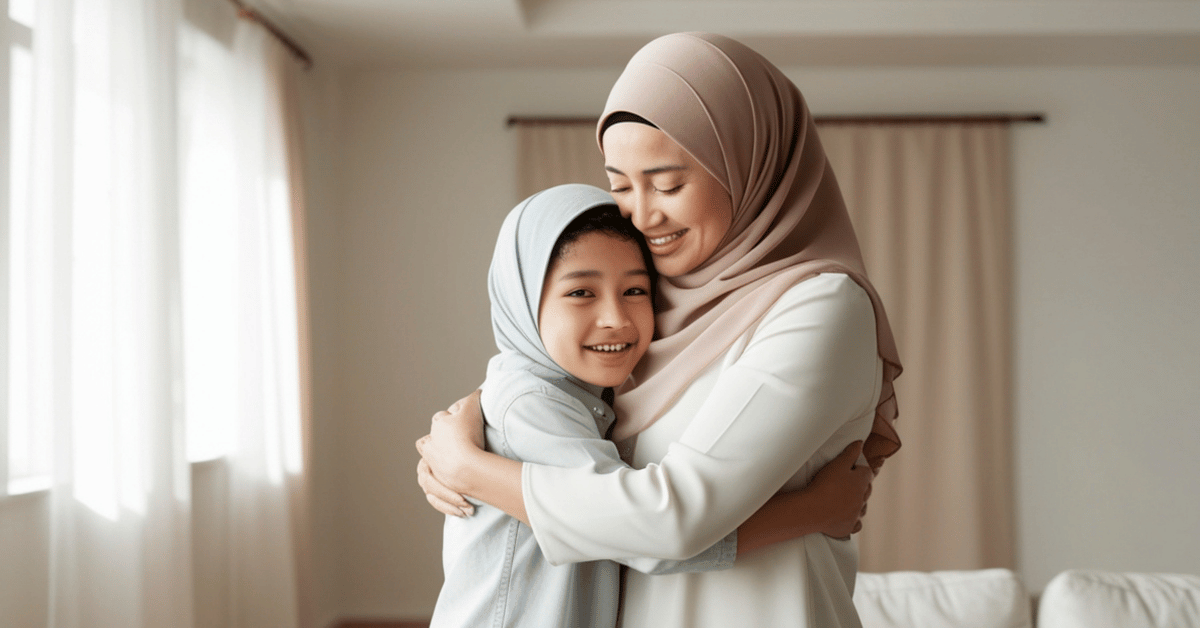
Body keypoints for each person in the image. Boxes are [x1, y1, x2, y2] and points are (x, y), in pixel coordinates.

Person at [418, 32, 902, 628]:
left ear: (747, 163)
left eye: (669, 185)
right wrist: (470, 426)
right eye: (621, 186)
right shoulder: (664, 295)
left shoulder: (821, 307)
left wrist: (472, 469)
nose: (643, 216)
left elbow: (671, 517)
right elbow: (555, 388)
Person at [430, 183, 871, 628]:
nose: (616, 319)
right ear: (520, 300)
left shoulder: (585, 396)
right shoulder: (531, 405)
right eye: (581, 293)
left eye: (636, 291)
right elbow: (643, 536)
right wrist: (814, 510)